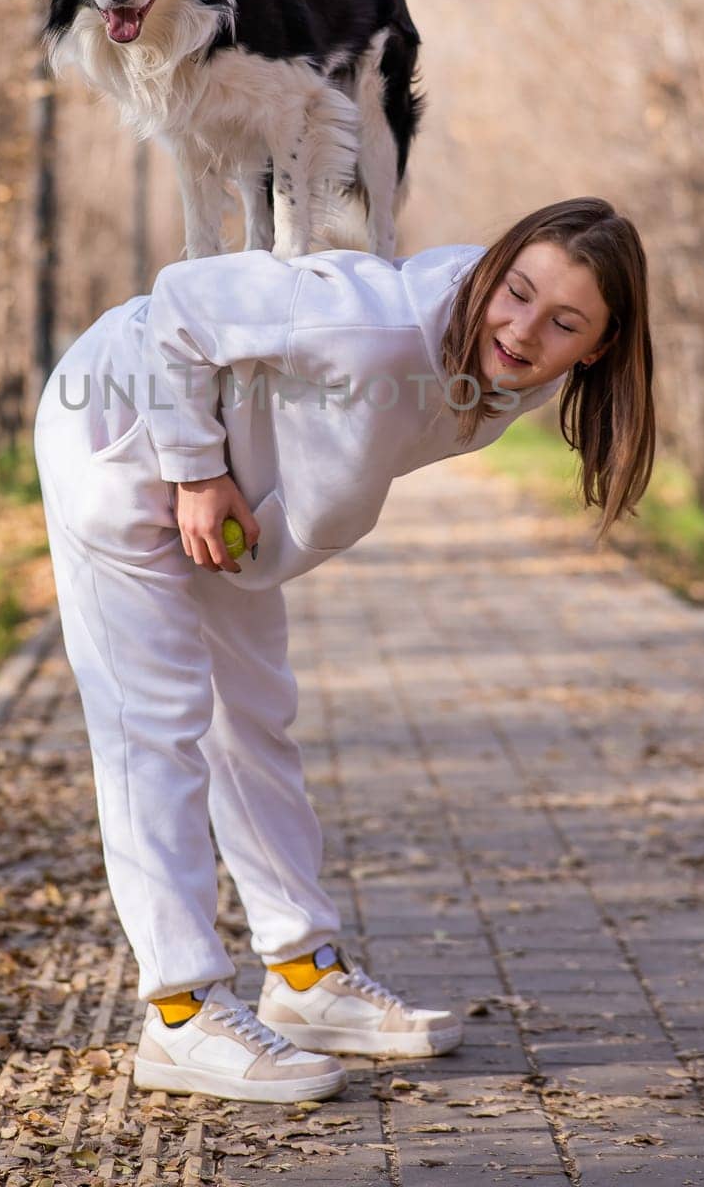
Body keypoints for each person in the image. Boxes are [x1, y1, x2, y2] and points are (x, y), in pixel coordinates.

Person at [33, 196, 655, 1102]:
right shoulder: (365, 320)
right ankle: (180, 1012)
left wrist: (229, 487)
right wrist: (196, 469)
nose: (523, 331)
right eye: (516, 292)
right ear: (495, 266)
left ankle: (303, 979)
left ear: (596, 347)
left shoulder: (520, 376)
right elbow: (179, 305)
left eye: (563, 323)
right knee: (154, 719)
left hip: (228, 491)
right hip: (127, 429)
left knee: (255, 717)